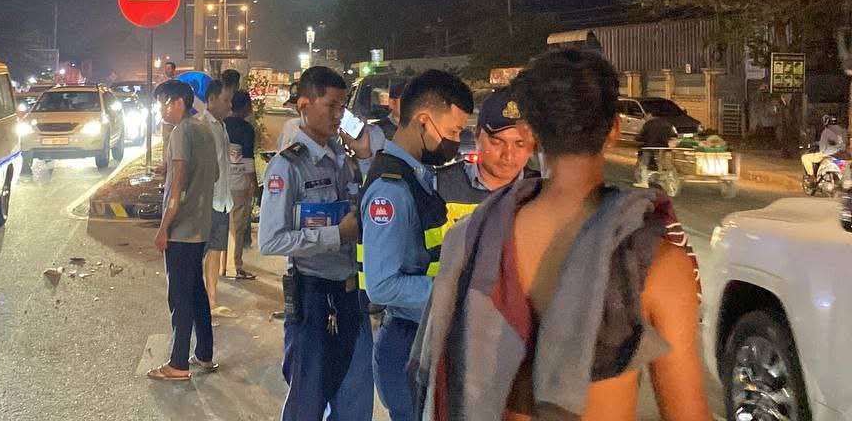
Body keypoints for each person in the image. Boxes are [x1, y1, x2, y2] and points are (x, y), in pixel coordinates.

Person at [413, 50, 709, 421]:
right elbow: (687, 413)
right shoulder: (657, 262)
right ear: (614, 129)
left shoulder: (474, 238)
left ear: (530, 133)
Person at [259, 66, 375, 421]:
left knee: (355, 404)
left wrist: (366, 157)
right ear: (304, 105)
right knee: (307, 404)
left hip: (353, 296)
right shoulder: (288, 166)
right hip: (314, 300)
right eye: (331, 106)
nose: (339, 115)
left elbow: (373, 205)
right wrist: (337, 234)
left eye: (343, 107)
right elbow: (271, 240)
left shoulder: (345, 159)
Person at [357, 70, 473, 421]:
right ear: (424, 121)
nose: (456, 141)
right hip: (405, 344)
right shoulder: (391, 190)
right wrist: (456, 291)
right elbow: (381, 284)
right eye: (453, 131)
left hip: (422, 337)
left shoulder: (415, 176)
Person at [148, 79, 221, 382]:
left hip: (181, 229)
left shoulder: (180, 132)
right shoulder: (204, 130)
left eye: (163, 104)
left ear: (178, 102)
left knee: (179, 299)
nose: (161, 110)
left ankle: (178, 363)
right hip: (201, 225)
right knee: (196, 292)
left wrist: (164, 227)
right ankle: (204, 353)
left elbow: (177, 186)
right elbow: (213, 174)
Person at [200, 78, 236, 316]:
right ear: (211, 99)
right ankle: (198, 302)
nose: (229, 105)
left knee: (215, 251)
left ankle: (212, 301)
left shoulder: (221, 126)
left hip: (222, 200)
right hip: (207, 202)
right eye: (226, 100)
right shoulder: (202, 126)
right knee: (200, 253)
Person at [225, 90, 258, 280]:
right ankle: (234, 266)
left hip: (222, 183)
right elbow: (248, 160)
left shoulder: (222, 125)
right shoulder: (246, 129)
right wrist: (254, 184)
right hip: (239, 183)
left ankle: (221, 264)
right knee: (237, 227)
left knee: (223, 226)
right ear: (245, 106)